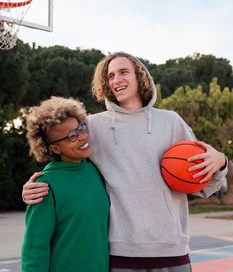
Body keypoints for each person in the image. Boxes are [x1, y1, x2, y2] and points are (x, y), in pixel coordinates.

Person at [22, 52, 228, 272]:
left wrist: (221, 161)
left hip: (172, 249)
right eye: (110, 76)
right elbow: (67, 159)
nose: (116, 80)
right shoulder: (92, 126)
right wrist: (33, 187)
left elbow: (202, 182)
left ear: (141, 76)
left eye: (123, 72)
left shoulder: (171, 122)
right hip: (121, 254)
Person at [21, 96, 109, 272]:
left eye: (81, 128)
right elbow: (35, 248)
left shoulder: (95, 170)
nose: (83, 136)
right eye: (72, 136)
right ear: (55, 149)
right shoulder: (45, 184)